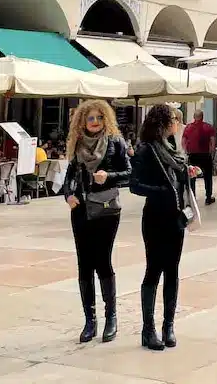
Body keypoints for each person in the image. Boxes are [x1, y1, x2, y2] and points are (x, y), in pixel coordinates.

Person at [63, 99, 130, 343]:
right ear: (82, 121)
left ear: (106, 119)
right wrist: (68, 195)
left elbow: (130, 173)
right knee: (84, 263)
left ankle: (111, 317)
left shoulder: (115, 143)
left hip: (106, 209)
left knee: (103, 260)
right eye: (90, 118)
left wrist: (109, 176)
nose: (94, 122)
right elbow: (69, 177)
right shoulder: (77, 143)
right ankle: (89, 321)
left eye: (99, 118)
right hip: (80, 209)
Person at [129, 103, 195, 352]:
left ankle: (169, 325)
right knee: (153, 270)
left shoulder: (173, 149)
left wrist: (187, 173)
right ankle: (148, 329)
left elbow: (177, 179)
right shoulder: (146, 150)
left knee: (173, 270)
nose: (177, 124)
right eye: (174, 120)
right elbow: (134, 185)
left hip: (175, 217)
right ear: (163, 123)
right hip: (155, 217)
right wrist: (161, 191)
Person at [182, 110, 216, 205]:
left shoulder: (188, 127)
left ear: (194, 117)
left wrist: (186, 151)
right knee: (208, 177)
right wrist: (212, 153)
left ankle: (193, 197)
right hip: (205, 155)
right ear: (202, 116)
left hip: (192, 155)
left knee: (192, 177)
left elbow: (183, 141)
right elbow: (213, 142)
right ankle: (208, 197)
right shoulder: (209, 127)